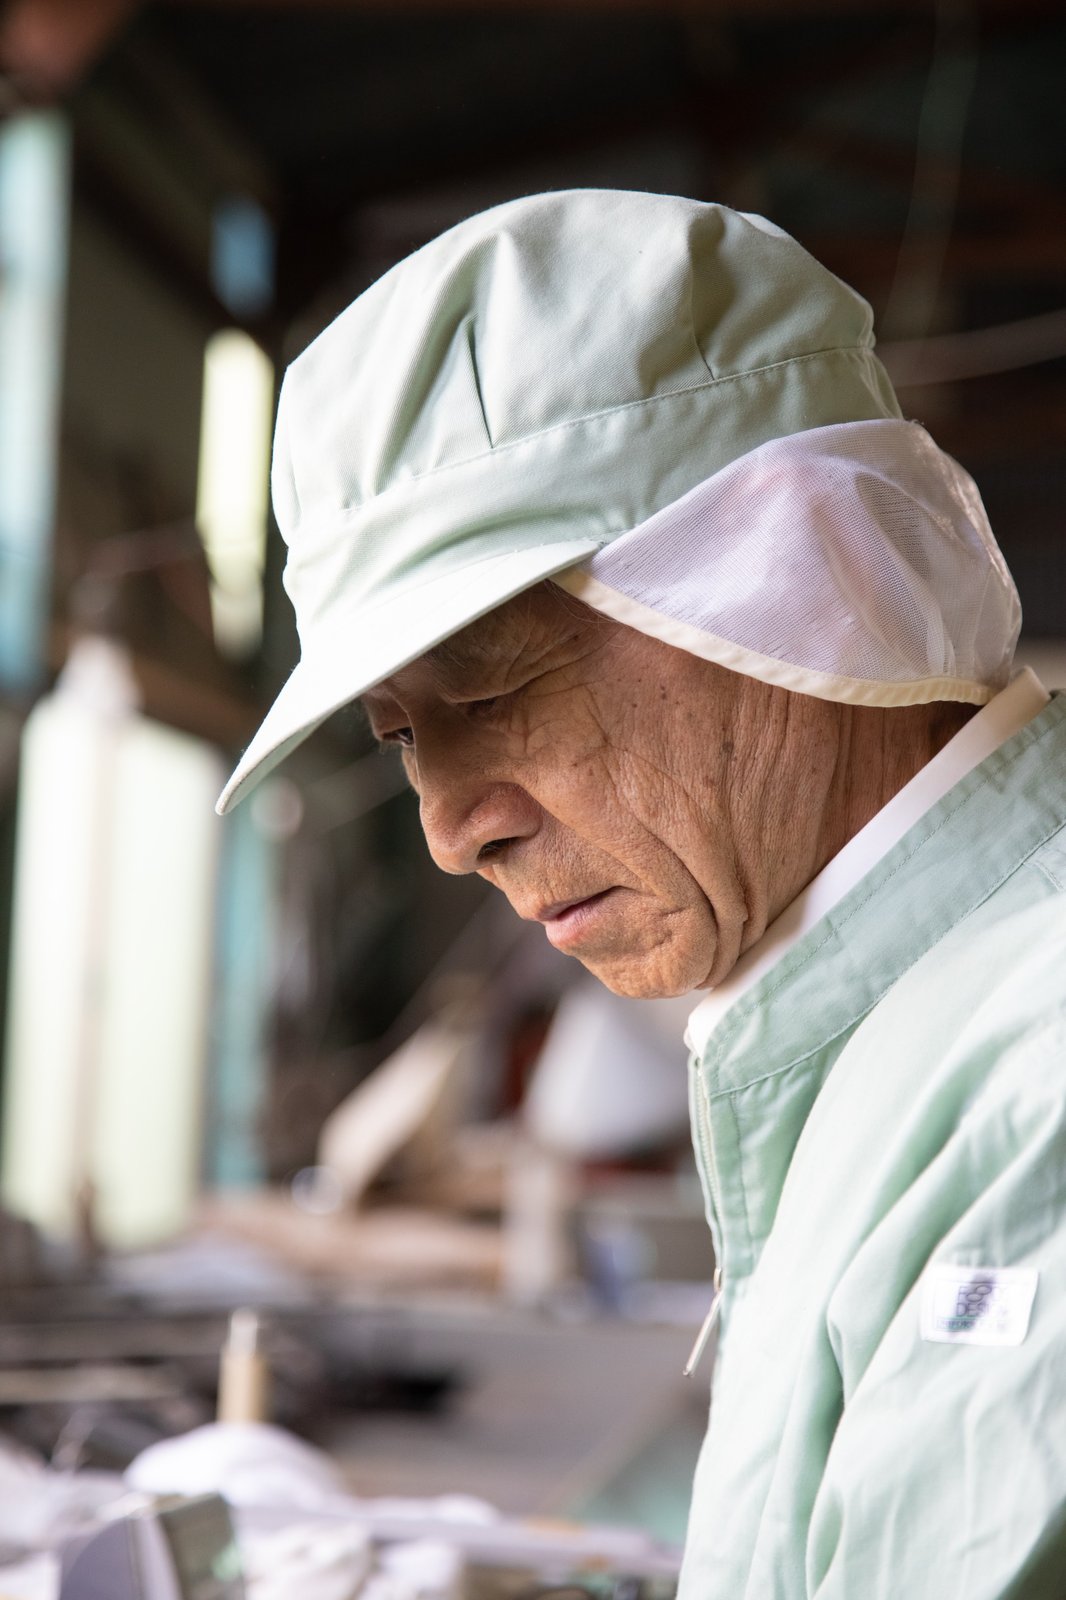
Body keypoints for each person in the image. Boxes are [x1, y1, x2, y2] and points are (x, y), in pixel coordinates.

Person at [216, 190, 1066, 1597]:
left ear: (792, 577)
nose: (446, 831)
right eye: (401, 734)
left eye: (491, 687)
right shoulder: (878, 1047)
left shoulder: (1035, 1089)